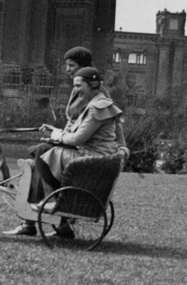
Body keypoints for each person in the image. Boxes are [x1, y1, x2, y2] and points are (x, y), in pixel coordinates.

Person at [11, 67, 128, 239]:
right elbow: (81, 133)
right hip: (95, 157)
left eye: (79, 85)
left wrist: (54, 135)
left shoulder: (97, 108)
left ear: (93, 85)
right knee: (38, 150)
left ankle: (59, 200)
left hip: (90, 160)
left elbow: (77, 139)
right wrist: (56, 130)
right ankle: (54, 202)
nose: (75, 89)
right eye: (75, 85)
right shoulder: (97, 105)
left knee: (43, 152)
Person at [3, 46, 94, 237]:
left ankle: (53, 203)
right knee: (36, 153)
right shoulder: (80, 89)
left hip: (82, 149)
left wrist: (58, 137)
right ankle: (34, 222)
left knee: (40, 153)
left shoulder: (90, 92)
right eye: (67, 65)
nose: (67, 69)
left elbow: (86, 127)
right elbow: (76, 123)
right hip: (73, 143)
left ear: (83, 67)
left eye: (71, 65)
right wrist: (56, 131)